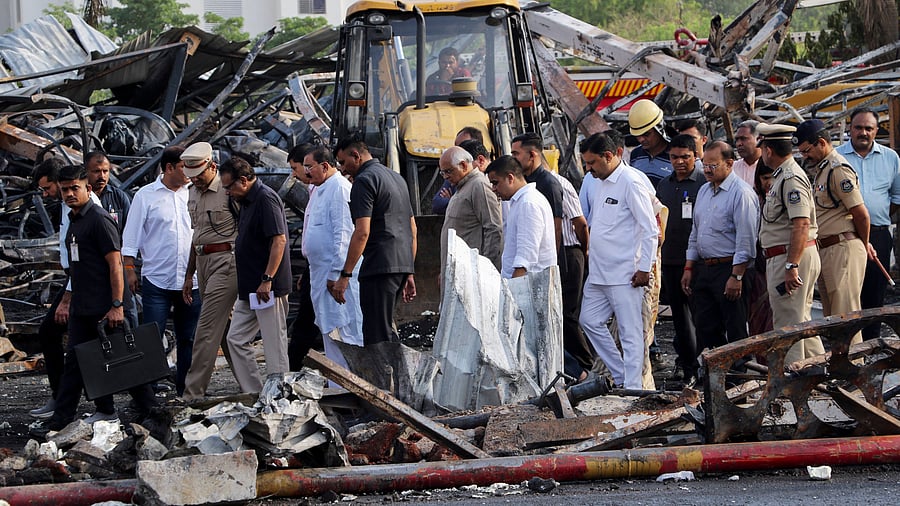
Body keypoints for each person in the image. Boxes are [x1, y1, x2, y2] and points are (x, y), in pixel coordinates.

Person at [31, 165, 157, 437]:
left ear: (87, 188)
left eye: (74, 188)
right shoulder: (74, 220)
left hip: (105, 306)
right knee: (76, 363)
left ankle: (153, 411)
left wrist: (117, 305)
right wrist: (71, 300)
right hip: (83, 306)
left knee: (125, 360)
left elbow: (115, 265)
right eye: (64, 190)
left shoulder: (99, 220)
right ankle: (64, 419)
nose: (69, 194)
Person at [578, 132, 658, 389]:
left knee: (630, 333)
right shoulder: (599, 181)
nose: (588, 169)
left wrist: (644, 269)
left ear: (609, 156)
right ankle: (621, 375)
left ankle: (633, 388)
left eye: (592, 162)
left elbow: (650, 229)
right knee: (589, 321)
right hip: (599, 272)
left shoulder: (631, 182)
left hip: (625, 273)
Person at [122, 146, 200, 397]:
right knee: (152, 337)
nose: (190, 172)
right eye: (184, 167)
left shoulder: (195, 193)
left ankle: (185, 390)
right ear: (169, 168)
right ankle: (149, 393)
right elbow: (131, 237)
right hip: (157, 279)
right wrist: (129, 269)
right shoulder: (145, 196)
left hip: (191, 281)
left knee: (189, 337)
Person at [28, 158, 101, 420]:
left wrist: (67, 298)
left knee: (61, 337)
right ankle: (66, 402)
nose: (46, 194)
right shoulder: (66, 206)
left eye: (48, 188)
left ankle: (73, 403)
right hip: (75, 279)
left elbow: (92, 257)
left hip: (84, 283)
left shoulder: (89, 210)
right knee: (75, 343)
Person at [331, 136, 417, 345]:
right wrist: (408, 270)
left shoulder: (364, 180)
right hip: (400, 264)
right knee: (385, 329)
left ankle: (386, 368)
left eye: (343, 162)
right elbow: (413, 229)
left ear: (356, 155)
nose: (342, 169)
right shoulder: (397, 178)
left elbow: (362, 232)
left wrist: (345, 275)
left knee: (377, 336)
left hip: (379, 266)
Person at [681, 141, 759, 368]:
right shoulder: (704, 190)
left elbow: (746, 240)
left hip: (730, 268)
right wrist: (689, 266)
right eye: (704, 165)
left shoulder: (741, 194)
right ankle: (712, 380)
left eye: (712, 166)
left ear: (729, 163)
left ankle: (739, 380)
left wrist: (736, 276)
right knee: (706, 327)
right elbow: (696, 232)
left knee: (735, 329)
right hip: (705, 268)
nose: (706, 170)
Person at [794, 119, 871, 346]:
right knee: (832, 319)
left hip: (842, 248)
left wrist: (864, 243)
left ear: (821, 143)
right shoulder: (823, 169)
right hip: (827, 249)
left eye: (807, 151)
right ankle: (840, 362)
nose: (805, 156)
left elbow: (861, 214)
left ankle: (854, 362)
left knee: (845, 316)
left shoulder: (838, 170)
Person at [219, 156, 292, 392]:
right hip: (250, 286)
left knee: (274, 343)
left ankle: (280, 395)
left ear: (243, 180)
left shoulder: (265, 198)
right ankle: (254, 392)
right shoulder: (246, 201)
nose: (227, 192)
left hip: (267, 286)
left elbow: (279, 240)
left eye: (229, 186)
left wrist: (267, 278)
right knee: (236, 338)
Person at [757, 123, 823, 364]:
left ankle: (793, 377)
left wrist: (791, 265)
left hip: (790, 256)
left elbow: (802, 224)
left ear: (768, 150)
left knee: (788, 325)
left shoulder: (790, 178)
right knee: (801, 320)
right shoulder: (783, 176)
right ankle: (821, 371)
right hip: (791, 255)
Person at [180, 143, 241, 401]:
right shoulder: (192, 193)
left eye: (199, 175)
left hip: (227, 262)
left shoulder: (228, 191)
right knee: (226, 330)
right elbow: (197, 237)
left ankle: (192, 394)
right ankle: (252, 384)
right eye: (191, 176)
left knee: (205, 328)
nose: (195, 180)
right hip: (203, 263)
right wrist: (189, 275)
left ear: (212, 166)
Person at [835, 107, 900, 340]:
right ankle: (849, 346)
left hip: (879, 235)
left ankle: (871, 345)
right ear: (850, 129)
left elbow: (896, 198)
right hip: (846, 236)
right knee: (847, 293)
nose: (863, 132)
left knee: (875, 294)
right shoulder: (836, 157)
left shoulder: (890, 158)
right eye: (858, 127)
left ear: (876, 130)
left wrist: (871, 220)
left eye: (868, 128)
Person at [301, 145, 364, 372]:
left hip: (336, 277)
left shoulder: (339, 188)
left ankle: (352, 385)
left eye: (309, 167)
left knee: (346, 332)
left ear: (325, 166)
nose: (306, 172)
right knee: (330, 331)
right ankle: (337, 384)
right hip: (321, 274)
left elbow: (344, 235)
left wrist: (337, 273)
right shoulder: (320, 188)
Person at [655, 134, 705, 381]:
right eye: (674, 157)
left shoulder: (704, 183)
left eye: (685, 157)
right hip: (671, 260)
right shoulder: (664, 185)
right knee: (680, 320)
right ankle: (688, 368)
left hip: (698, 261)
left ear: (695, 156)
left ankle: (706, 366)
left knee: (703, 317)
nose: (679, 162)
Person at [485, 155, 555, 278]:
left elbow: (526, 256)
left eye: (495, 183)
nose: (493, 189)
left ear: (510, 178)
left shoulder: (528, 203)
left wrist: (515, 286)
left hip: (527, 284)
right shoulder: (521, 201)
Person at [438, 146, 503, 275]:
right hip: (457, 270)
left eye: (448, 171)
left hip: (471, 272)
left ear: (463, 165)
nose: (445, 177)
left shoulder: (478, 185)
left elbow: (494, 228)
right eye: (442, 173)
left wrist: (486, 270)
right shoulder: (461, 187)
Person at [286, 144, 322, 369]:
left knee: (307, 321)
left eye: (295, 168)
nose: (294, 174)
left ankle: (294, 366)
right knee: (306, 320)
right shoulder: (313, 190)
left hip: (328, 270)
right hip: (315, 268)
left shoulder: (335, 189)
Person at [510, 133, 564, 252]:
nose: (513, 159)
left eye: (516, 154)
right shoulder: (523, 182)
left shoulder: (549, 184)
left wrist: (551, 260)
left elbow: (556, 228)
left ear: (532, 155)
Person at [433, 127, 488, 214]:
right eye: (456, 146)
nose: (458, 150)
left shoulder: (483, 183)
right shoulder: (453, 178)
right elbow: (437, 204)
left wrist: (454, 200)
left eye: (463, 146)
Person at [627, 99, 672, 188]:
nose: (641, 139)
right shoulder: (635, 154)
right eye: (638, 135)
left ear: (659, 129)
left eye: (646, 134)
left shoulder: (676, 154)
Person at [733, 120, 762, 186]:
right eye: (737, 139)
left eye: (743, 139)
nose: (738, 144)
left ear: (758, 139)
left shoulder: (770, 168)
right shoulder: (732, 169)